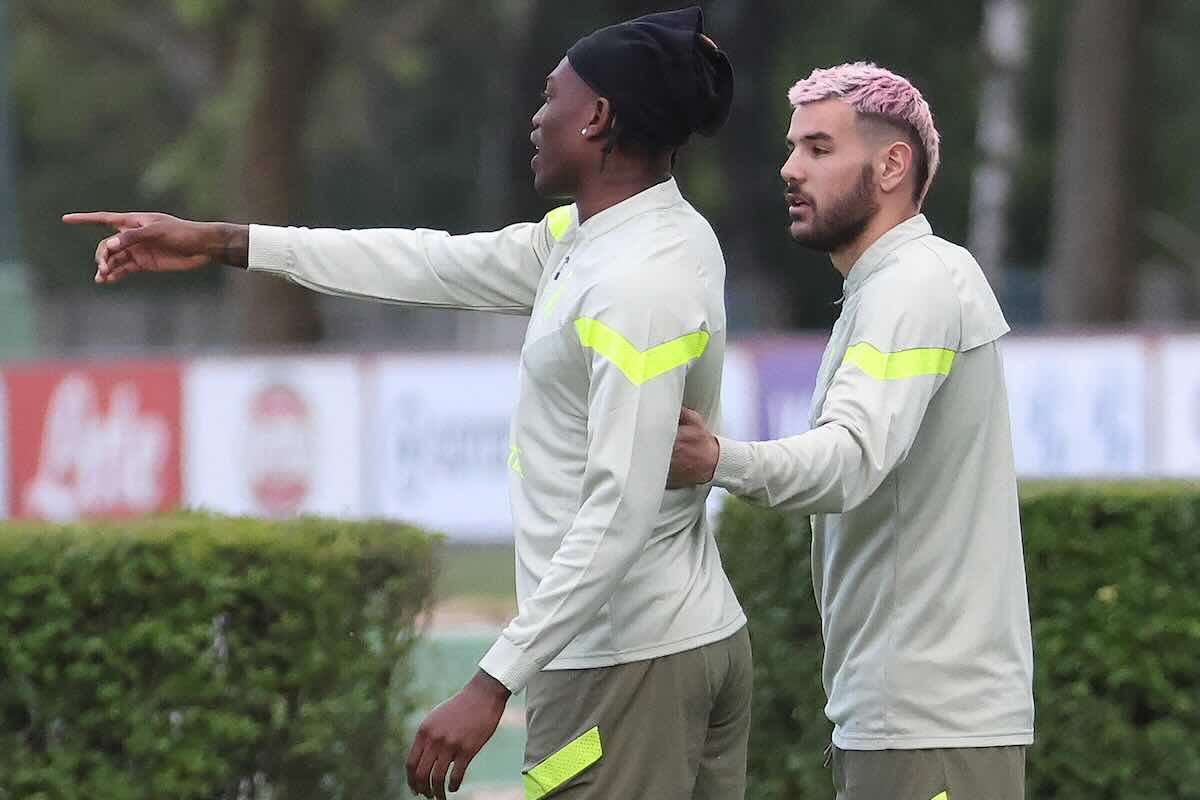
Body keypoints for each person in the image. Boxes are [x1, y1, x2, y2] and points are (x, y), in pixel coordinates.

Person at [65, 8, 752, 800]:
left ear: (597, 118)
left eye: (551, 97)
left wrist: (492, 681)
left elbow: (620, 511)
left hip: (625, 667)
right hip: (665, 650)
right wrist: (222, 240)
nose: (536, 116)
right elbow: (423, 263)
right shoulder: (599, 238)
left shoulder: (638, 281)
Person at [668, 62, 1034, 800]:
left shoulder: (913, 283)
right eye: (792, 147)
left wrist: (716, 458)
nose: (789, 169)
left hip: (928, 725)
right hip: (912, 723)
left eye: (819, 148)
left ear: (893, 164)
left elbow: (848, 462)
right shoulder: (894, 285)